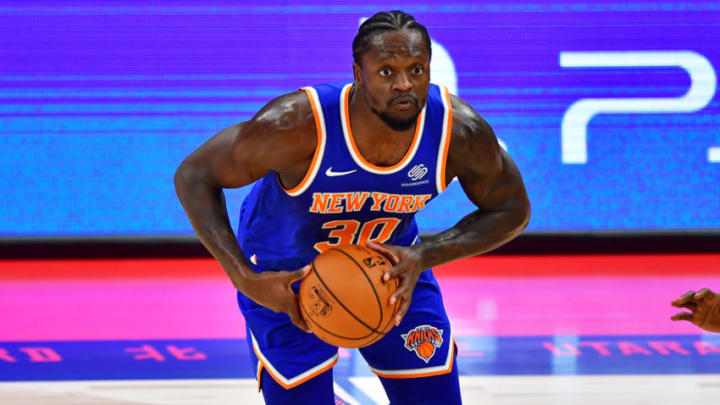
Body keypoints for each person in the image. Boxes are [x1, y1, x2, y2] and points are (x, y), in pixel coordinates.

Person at [175, 10, 530, 404]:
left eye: (416, 69)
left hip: (390, 273)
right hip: (286, 278)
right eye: (386, 72)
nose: (404, 85)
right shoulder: (296, 124)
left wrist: (423, 254)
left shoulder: (458, 133)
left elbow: (512, 210)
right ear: (358, 74)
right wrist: (244, 278)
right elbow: (194, 175)